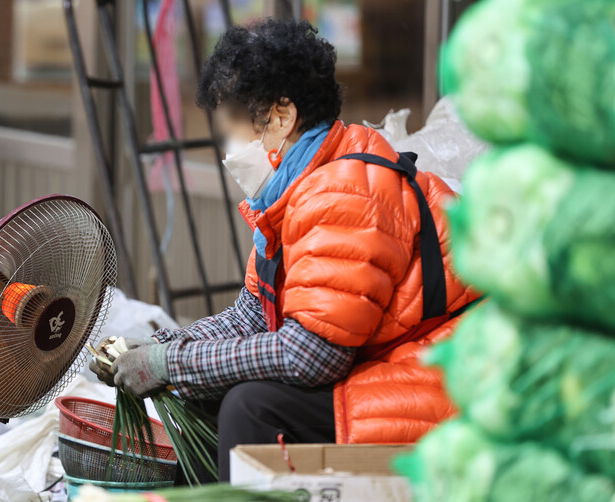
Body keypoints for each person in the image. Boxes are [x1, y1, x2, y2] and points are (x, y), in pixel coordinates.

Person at [90, 18, 479, 482]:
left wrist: (167, 364)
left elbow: (313, 354)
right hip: (384, 357)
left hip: (442, 377)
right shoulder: (293, 190)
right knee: (207, 387)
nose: (229, 149)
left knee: (249, 407)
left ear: (280, 117)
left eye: (234, 129)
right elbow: (250, 317)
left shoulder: (343, 192)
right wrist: (157, 347)